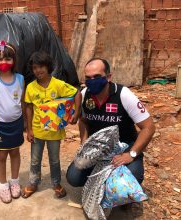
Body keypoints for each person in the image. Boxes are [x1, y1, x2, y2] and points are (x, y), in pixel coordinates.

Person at [66, 58, 155, 187]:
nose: (92, 81)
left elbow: (149, 127)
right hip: (97, 149)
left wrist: (131, 154)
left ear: (108, 77)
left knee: (132, 177)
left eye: (97, 76)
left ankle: (119, 190)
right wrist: (84, 143)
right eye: (88, 78)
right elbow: (83, 121)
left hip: (124, 148)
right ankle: (103, 180)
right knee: (74, 178)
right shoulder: (85, 94)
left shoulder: (123, 95)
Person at [22, 51, 82, 198]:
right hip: (37, 130)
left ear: (48, 67)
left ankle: (56, 183)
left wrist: (76, 113)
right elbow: (28, 107)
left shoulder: (58, 84)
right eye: (35, 68)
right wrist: (29, 129)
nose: (38, 70)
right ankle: (33, 182)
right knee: (35, 159)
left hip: (54, 132)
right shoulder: (31, 87)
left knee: (54, 159)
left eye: (41, 67)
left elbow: (77, 93)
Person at [0, 40, 25, 203]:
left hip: (16, 124)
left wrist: (26, 124)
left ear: (14, 61)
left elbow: (23, 102)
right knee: (1, 155)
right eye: (0, 59)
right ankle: (2, 184)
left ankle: (14, 182)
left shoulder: (20, 79)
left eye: (8, 59)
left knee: (15, 152)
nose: (3, 62)